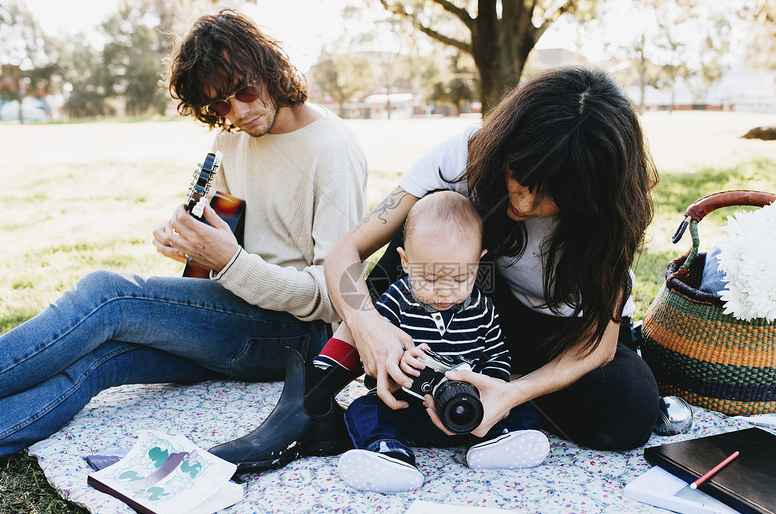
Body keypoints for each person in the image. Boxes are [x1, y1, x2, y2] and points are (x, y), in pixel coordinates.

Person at [201, 65, 661, 471]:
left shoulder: (612, 218)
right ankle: (310, 405)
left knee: (627, 413)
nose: (522, 202)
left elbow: (599, 345)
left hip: (551, 335)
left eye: (548, 196)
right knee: (426, 230)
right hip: (465, 298)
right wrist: (370, 327)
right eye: (519, 179)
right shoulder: (464, 155)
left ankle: (475, 405)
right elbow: (345, 253)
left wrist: (514, 392)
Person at [0, 9, 367, 472]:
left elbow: (333, 300)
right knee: (103, 361)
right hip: (231, 313)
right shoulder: (232, 139)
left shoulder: (332, 151)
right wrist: (194, 248)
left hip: (294, 335)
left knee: (108, 297)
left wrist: (229, 262)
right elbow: (232, 236)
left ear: (270, 67)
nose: (239, 113)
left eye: (244, 91)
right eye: (219, 107)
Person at [332, 192, 549, 493]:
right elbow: (376, 360)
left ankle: (501, 441)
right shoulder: (395, 301)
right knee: (363, 408)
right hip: (410, 408)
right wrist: (397, 370)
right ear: (406, 262)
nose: (445, 293)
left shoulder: (481, 309)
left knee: (520, 405)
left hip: (471, 414)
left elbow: (497, 356)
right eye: (431, 279)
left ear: (477, 266)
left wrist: (491, 393)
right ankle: (390, 454)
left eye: (460, 279)